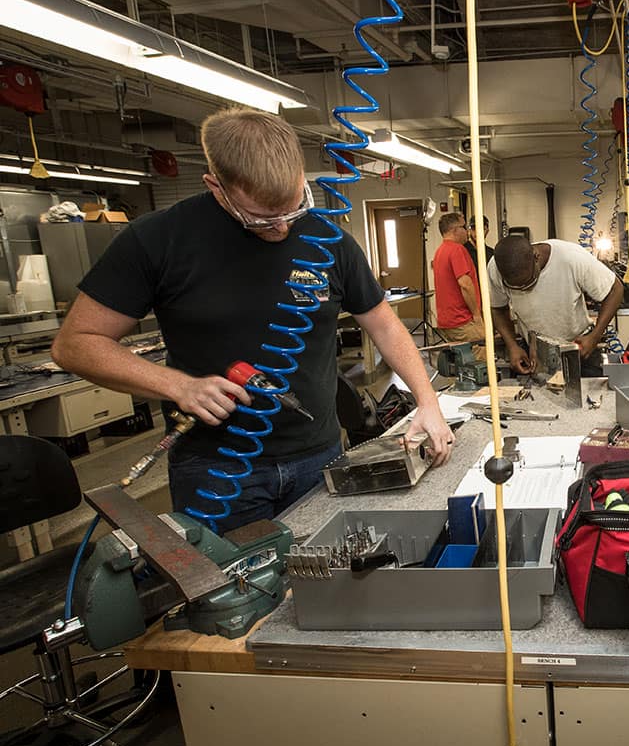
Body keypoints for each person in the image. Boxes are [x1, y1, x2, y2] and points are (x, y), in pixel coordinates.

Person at [51, 108, 454, 534]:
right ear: (216, 186)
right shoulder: (155, 240)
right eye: (262, 217)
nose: (282, 227)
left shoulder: (328, 240)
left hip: (319, 458)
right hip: (215, 470)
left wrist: (427, 402)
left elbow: (384, 324)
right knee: (230, 593)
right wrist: (177, 385)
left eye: (293, 209)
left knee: (325, 585)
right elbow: (76, 343)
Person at [488, 234, 623, 377]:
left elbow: (615, 289)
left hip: (579, 348)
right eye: (516, 287)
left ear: (536, 257)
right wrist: (512, 345)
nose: (524, 289)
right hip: (535, 353)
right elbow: (498, 309)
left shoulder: (571, 257)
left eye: (528, 282)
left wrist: (595, 336)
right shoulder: (496, 267)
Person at [432, 212, 486, 360]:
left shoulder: (440, 252)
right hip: (463, 321)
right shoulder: (457, 250)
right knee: (480, 364)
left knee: (462, 364)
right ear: (455, 230)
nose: (467, 231)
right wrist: (476, 315)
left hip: (448, 321)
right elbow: (465, 285)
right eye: (464, 227)